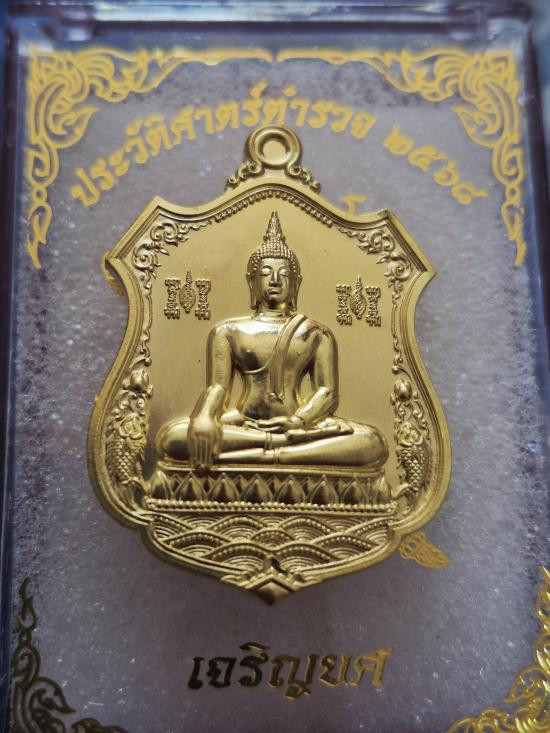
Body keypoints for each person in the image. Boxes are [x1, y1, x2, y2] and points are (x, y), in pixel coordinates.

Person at [156, 211, 388, 472]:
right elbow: (218, 388)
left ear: (296, 283)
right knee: (172, 437)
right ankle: (277, 450)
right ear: (252, 282)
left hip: (299, 429)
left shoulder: (315, 333)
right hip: (246, 425)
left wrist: (299, 421)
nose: (275, 280)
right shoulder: (229, 331)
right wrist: (204, 417)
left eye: (283, 274)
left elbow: (327, 393)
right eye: (266, 273)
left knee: (372, 442)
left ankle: (268, 452)